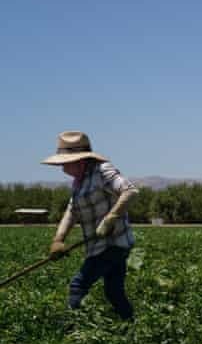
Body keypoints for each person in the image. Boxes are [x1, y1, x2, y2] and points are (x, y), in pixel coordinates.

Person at [42, 131, 139, 321]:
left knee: (78, 285)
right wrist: (58, 240)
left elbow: (130, 191)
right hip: (100, 245)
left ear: (78, 160)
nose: (61, 167)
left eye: (64, 162)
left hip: (113, 242)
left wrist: (111, 218)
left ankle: (73, 330)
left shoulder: (102, 171)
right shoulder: (78, 183)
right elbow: (71, 211)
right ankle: (131, 324)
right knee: (114, 292)